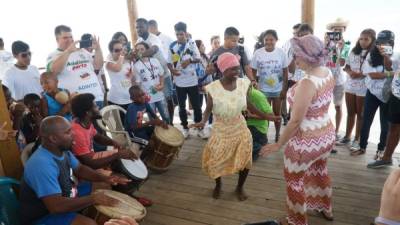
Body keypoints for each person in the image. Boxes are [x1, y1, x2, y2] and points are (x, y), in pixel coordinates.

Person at [260, 35, 336, 225]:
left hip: (305, 141)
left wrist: (278, 144)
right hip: (326, 133)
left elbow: (294, 122)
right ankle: (326, 208)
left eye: (298, 56)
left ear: (308, 57)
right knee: (320, 171)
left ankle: (296, 220)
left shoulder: (308, 82)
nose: (295, 59)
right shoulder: (327, 72)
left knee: (294, 180)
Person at [19, 116, 130, 225]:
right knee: (89, 223)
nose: (74, 134)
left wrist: (106, 178)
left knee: (102, 185)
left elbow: (80, 169)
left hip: (64, 195)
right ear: (53, 139)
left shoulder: (61, 150)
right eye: (68, 132)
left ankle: (85, 215)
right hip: (43, 215)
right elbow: (56, 207)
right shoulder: (41, 165)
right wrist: (93, 199)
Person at [191, 52, 269, 201]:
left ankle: (240, 187)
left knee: (245, 158)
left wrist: (267, 116)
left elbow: (248, 104)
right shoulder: (212, 88)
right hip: (220, 128)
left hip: (240, 127)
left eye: (237, 68)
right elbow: (208, 108)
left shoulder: (243, 83)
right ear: (222, 70)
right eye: (232, 69)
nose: (237, 72)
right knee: (216, 159)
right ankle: (218, 184)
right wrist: (203, 121)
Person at [351, 30, 394, 159]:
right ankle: (362, 146)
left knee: (384, 123)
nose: (381, 45)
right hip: (372, 92)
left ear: (391, 43)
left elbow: (391, 68)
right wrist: (390, 74)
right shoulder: (371, 55)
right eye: (379, 42)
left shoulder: (396, 56)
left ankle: (380, 150)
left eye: (385, 42)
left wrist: (387, 57)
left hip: (387, 94)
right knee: (366, 120)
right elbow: (373, 75)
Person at [70, 93, 136, 169]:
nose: (98, 108)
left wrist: (113, 143)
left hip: (90, 158)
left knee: (124, 155)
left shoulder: (85, 121)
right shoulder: (77, 132)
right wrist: (117, 155)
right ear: (87, 112)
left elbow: (97, 137)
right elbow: (90, 163)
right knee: (119, 159)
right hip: (84, 167)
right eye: (95, 106)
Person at [46, 25, 104, 109]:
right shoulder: (53, 55)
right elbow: (54, 71)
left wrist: (98, 49)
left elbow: (98, 66)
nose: (69, 40)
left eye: (71, 37)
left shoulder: (82, 51)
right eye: (65, 37)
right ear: (57, 39)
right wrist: (68, 51)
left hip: (96, 98)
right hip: (76, 102)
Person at [337, 29, 376, 150]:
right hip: (349, 86)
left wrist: (360, 74)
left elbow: (374, 70)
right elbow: (345, 65)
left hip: (363, 88)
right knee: (350, 113)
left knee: (360, 115)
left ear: (372, 40)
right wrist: (350, 72)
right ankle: (347, 136)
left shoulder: (373, 53)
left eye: (366, 39)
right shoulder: (353, 51)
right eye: (361, 38)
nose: (363, 41)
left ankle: (356, 139)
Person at [367, 34, 400, 168]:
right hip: (396, 95)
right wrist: (385, 55)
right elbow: (388, 68)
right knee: (393, 127)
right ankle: (387, 158)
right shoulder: (397, 55)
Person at [251, 30, 289, 142]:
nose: (268, 42)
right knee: (265, 114)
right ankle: (264, 136)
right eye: (266, 39)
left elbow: (285, 72)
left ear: (276, 40)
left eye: (271, 39)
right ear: (263, 41)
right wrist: (254, 84)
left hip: (278, 90)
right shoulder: (258, 53)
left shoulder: (281, 53)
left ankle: (277, 135)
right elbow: (252, 71)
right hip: (263, 90)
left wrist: (284, 90)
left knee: (277, 114)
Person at [136, 18, 176, 125]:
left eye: (141, 26)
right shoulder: (138, 41)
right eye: (136, 27)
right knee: (151, 103)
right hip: (149, 80)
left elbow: (153, 50)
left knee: (167, 99)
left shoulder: (154, 38)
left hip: (163, 74)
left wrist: (138, 55)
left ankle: (170, 123)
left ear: (147, 27)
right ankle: (157, 127)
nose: (138, 29)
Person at [168, 22, 203, 138]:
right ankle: (184, 127)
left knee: (197, 106)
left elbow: (198, 58)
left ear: (186, 33)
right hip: (179, 81)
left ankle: (199, 127)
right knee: (181, 106)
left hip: (192, 80)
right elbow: (168, 62)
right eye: (177, 34)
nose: (179, 37)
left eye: (181, 34)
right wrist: (172, 71)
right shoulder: (172, 46)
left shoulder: (191, 44)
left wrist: (189, 61)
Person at [325, 18, 349, 142]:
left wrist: (342, 48)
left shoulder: (347, 44)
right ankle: (324, 130)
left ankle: (336, 131)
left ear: (344, 30)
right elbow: (320, 58)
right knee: (323, 105)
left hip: (339, 80)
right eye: (335, 30)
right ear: (331, 31)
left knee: (338, 106)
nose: (338, 32)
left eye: (340, 30)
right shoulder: (326, 43)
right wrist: (326, 44)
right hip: (325, 79)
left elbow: (343, 63)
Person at [133, 42, 170, 123]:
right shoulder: (136, 66)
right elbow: (138, 84)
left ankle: (169, 134)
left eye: (142, 49)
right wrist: (143, 96)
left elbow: (161, 74)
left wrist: (162, 85)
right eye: (138, 50)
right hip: (148, 98)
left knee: (166, 118)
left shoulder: (155, 61)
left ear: (147, 50)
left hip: (160, 94)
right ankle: (156, 135)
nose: (140, 51)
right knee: (153, 121)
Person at [246, 86, 279, 161]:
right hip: (246, 125)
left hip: (257, 127)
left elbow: (271, 116)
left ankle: (259, 146)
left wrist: (251, 116)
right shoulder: (238, 94)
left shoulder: (257, 96)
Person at [105, 39, 134, 116]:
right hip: (116, 100)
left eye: (121, 49)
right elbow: (118, 68)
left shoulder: (127, 61)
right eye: (117, 50)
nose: (120, 52)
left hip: (129, 98)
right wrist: (122, 55)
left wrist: (130, 75)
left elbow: (130, 78)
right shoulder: (109, 63)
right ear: (111, 52)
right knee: (119, 126)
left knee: (132, 125)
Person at [195, 39, 213, 138]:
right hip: (199, 87)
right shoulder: (194, 60)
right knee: (198, 107)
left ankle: (210, 125)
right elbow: (195, 75)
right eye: (202, 46)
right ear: (197, 48)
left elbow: (211, 71)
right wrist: (201, 82)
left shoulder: (207, 57)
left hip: (209, 85)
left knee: (210, 106)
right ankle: (199, 128)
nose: (204, 47)